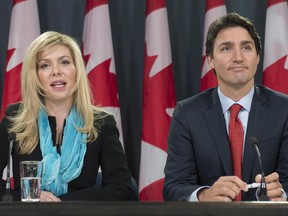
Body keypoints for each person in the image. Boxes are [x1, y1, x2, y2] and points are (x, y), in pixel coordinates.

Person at [163, 12, 288, 202]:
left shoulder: (284, 110)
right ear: (211, 60)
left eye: (246, 47)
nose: (238, 57)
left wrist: (281, 194)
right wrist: (205, 195)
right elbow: (174, 187)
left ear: (257, 57)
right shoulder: (188, 113)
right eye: (226, 48)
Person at [0, 31, 133, 201]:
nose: (56, 71)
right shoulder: (16, 120)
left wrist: (65, 204)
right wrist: (27, 197)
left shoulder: (100, 124)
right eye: (45, 65)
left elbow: (121, 187)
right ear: (35, 76)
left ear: (76, 70)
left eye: (64, 62)